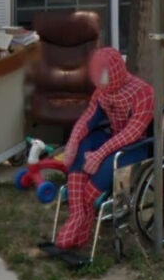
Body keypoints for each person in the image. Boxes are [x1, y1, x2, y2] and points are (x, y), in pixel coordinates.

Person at [56, 47, 154, 250]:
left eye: (104, 75)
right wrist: (73, 142)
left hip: (137, 146)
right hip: (113, 138)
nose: (100, 81)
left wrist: (100, 155)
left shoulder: (143, 92)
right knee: (84, 142)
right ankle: (78, 214)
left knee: (109, 163)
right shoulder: (102, 94)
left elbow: (133, 132)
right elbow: (88, 118)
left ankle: (85, 213)